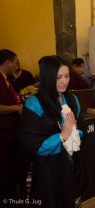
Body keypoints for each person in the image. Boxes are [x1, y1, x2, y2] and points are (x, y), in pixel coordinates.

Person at [18, 55, 86, 208]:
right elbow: (31, 143)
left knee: (73, 200)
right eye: (58, 77)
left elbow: (82, 127)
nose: (64, 81)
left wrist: (75, 132)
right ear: (47, 77)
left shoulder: (72, 99)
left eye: (67, 76)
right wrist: (62, 135)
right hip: (48, 168)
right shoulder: (34, 103)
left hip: (72, 163)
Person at [0, 49, 22, 201]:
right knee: (4, 167)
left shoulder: (6, 78)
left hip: (11, 130)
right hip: (3, 133)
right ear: (7, 62)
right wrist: (16, 108)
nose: (16, 65)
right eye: (14, 62)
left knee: (11, 166)